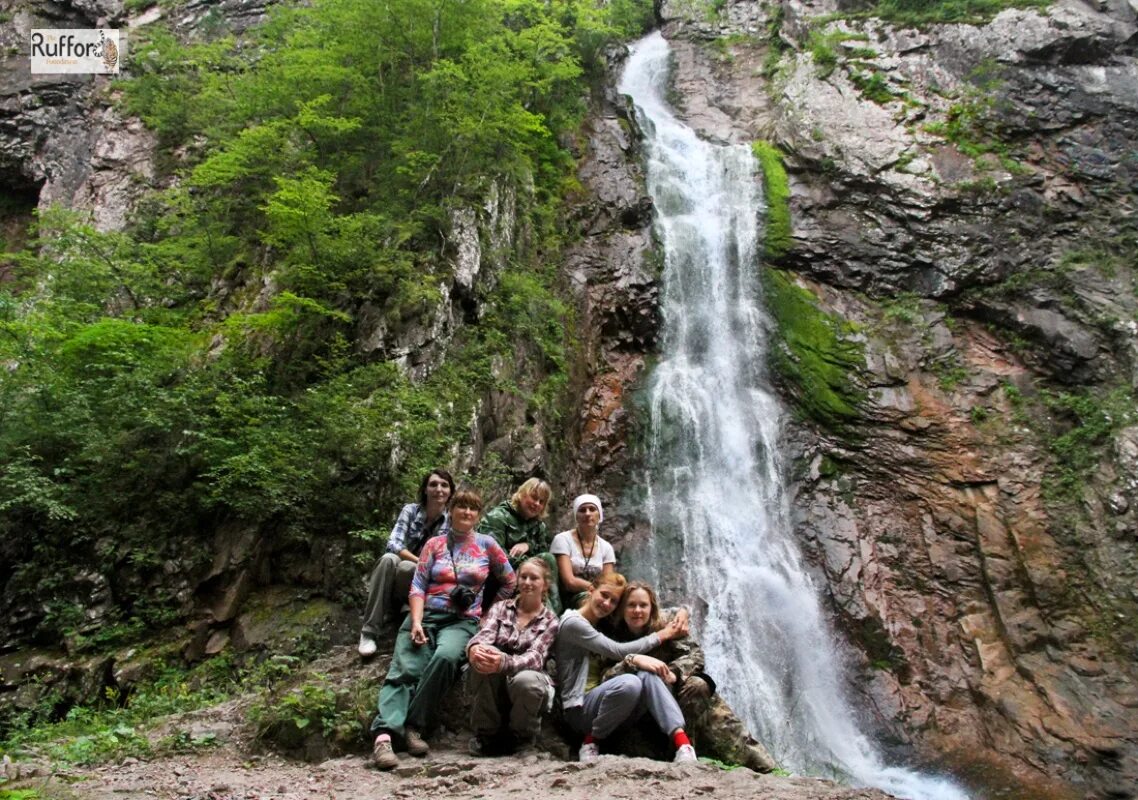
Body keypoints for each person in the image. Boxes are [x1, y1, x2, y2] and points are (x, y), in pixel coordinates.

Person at [370, 490, 516, 770]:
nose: (467, 512)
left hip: (463, 621)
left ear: (479, 515)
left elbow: (510, 581)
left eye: (473, 508)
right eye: (461, 506)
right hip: (427, 615)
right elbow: (418, 585)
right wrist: (415, 621)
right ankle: (384, 736)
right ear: (452, 509)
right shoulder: (434, 544)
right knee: (406, 668)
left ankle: (413, 726)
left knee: (446, 658)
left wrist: (488, 615)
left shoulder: (488, 545)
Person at [605, 581, 778, 773]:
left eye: (643, 605)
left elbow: (695, 655)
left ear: (652, 607)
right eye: (631, 605)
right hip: (635, 706)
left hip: (676, 692)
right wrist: (633, 663)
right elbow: (605, 676)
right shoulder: (611, 634)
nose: (637, 610)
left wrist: (673, 672)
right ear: (622, 608)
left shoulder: (667, 623)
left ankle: (689, 751)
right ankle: (677, 751)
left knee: (699, 685)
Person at [554, 572, 696, 763]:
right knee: (631, 682)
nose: (607, 604)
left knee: (648, 675)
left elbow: (653, 609)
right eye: (604, 595)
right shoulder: (573, 623)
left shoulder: (603, 622)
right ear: (591, 590)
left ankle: (683, 745)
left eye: (613, 601)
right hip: (579, 710)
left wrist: (683, 611)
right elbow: (617, 650)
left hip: (614, 710)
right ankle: (590, 743)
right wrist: (659, 637)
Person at [465, 556, 560, 756]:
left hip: (528, 677)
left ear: (545, 585)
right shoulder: (501, 608)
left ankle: (523, 739)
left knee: (527, 680)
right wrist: (474, 648)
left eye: (534, 578)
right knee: (482, 659)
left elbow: (535, 658)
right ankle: (486, 735)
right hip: (497, 677)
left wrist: (503, 662)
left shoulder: (550, 620)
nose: (527, 582)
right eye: (523, 577)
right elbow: (485, 636)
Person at [359, 469, 455, 657]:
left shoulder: (451, 521)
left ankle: (406, 612)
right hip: (399, 573)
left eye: (444, 485)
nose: (439, 489)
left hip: (424, 584)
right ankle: (369, 632)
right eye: (433, 484)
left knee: (407, 567)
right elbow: (394, 544)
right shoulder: (410, 510)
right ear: (425, 489)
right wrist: (420, 561)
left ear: (450, 491)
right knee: (389, 559)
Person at [478, 478, 560, 612]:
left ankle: (554, 614)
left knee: (548, 558)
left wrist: (529, 545)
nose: (536, 504)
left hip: (527, 579)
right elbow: (496, 558)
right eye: (533, 498)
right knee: (535, 575)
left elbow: (544, 556)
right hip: (497, 580)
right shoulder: (498, 517)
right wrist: (528, 565)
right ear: (522, 494)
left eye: (541, 502)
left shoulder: (538, 525)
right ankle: (550, 617)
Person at [550, 494, 615, 610]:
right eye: (582, 510)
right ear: (576, 516)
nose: (587, 513)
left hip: (597, 596)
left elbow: (607, 582)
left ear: (599, 515)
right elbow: (569, 581)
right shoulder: (563, 539)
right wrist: (595, 589)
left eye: (592, 509)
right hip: (569, 598)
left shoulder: (606, 547)